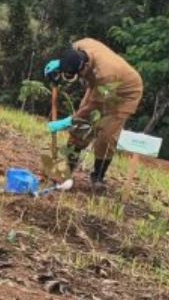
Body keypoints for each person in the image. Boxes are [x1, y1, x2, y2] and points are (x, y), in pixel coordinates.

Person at [44, 39, 144, 189]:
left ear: (84, 67)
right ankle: (66, 173)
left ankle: (98, 177)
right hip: (99, 86)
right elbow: (72, 55)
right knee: (80, 129)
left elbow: (93, 106)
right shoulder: (81, 45)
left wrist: (68, 121)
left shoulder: (105, 74)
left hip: (125, 94)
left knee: (106, 136)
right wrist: (60, 64)